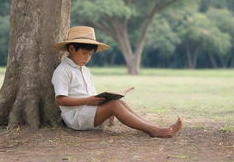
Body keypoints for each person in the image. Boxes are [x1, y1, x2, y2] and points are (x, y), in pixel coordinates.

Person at [52, 26, 182, 137]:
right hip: (76, 117)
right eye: (84, 53)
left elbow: (90, 97)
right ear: (71, 49)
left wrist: (103, 104)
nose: (87, 58)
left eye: (90, 54)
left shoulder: (85, 71)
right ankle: (155, 131)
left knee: (119, 102)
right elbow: (61, 100)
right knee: (114, 105)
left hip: (88, 111)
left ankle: (152, 126)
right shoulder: (63, 70)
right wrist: (89, 101)